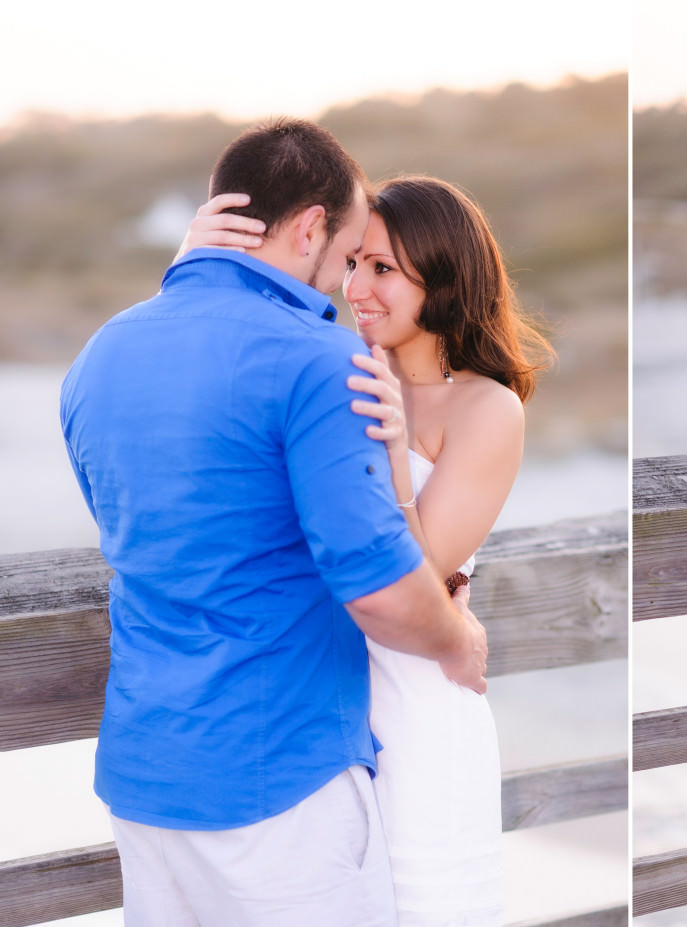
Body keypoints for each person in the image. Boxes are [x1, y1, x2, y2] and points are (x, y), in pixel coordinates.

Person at [60, 119, 487, 927]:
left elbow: (156, 536)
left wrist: (190, 270)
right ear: (308, 227)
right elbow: (382, 592)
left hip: (145, 774)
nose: (346, 280)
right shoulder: (321, 361)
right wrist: (456, 640)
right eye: (350, 247)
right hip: (278, 775)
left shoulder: (101, 354)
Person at [184, 174, 553, 925]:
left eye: (384, 268)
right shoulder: (324, 372)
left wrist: (391, 451)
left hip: (416, 713)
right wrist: (194, 257)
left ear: (443, 277)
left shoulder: (486, 406)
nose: (358, 286)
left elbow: (417, 575)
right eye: (354, 262)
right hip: (312, 716)